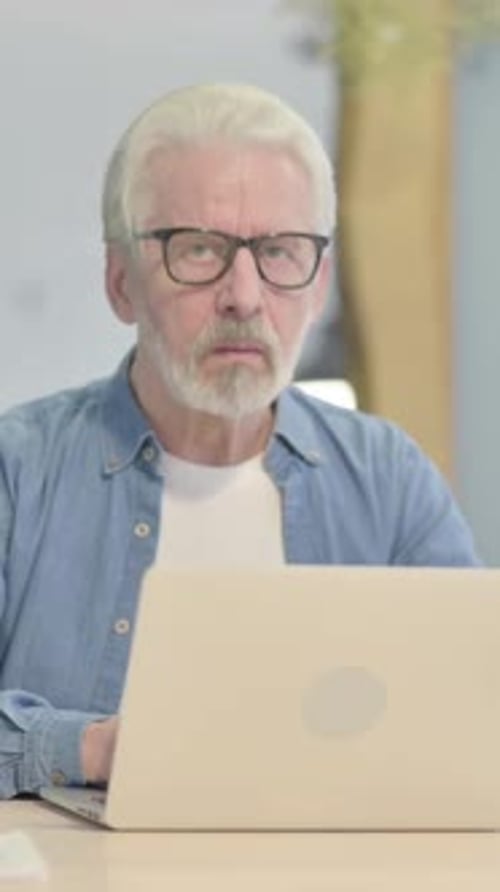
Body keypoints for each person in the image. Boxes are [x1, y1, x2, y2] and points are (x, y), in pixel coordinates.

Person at [0, 82, 480, 799]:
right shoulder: (19, 471)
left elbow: (475, 716)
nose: (245, 296)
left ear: (318, 288)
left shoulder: (387, 480)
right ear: (121, 282)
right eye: (199, 250)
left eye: (281, 253)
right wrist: (98, 748)